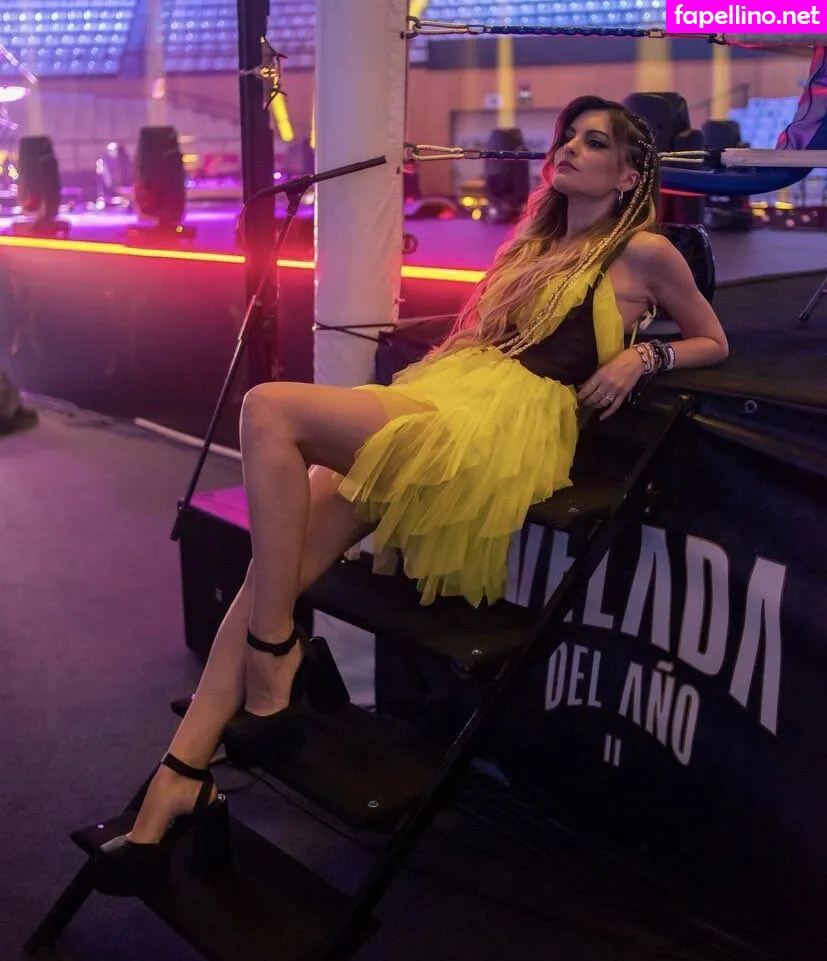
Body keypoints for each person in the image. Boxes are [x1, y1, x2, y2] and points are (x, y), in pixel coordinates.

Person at [94, 96, 728, 891]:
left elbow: (712, 338)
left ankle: (275, 655)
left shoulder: (643, 249)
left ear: (628, 174)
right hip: (446, 400)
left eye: (592, 141)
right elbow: (477, 345)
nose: (568, 147)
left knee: (270, 410)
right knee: (270, 578)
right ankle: (179, 778)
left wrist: (643, 358)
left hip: (499, 430)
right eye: (566, 136)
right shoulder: (530, 243)